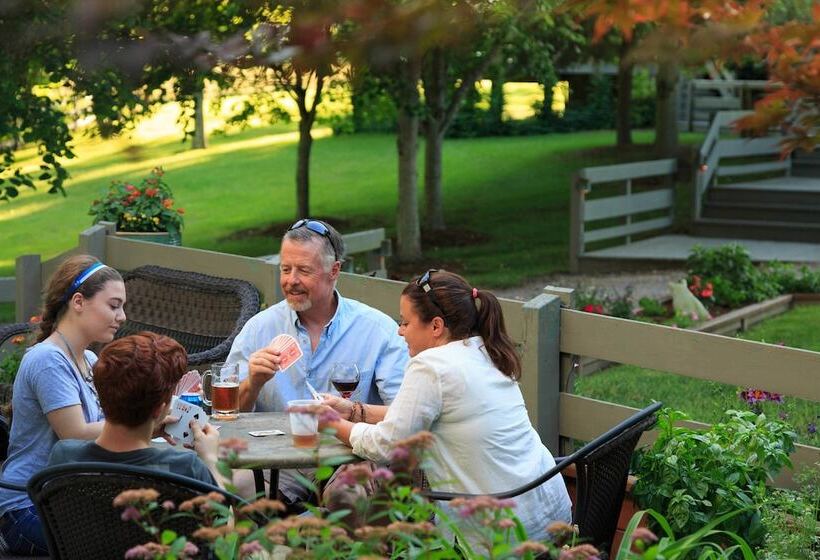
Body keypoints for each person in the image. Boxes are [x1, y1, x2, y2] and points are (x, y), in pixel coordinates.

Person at [316, 270, 572, 541]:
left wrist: (331, 424)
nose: (399, 331)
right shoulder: (485, 350)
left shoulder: (431, 365)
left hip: (497, 535)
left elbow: (386, 445)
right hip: (551, 515)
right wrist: (355, 411)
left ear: (436, 326)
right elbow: (419, 415)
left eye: (405, 322)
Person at [224, 219, 408, 504]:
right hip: (276, 464)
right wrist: (253, 383)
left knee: (348, 496)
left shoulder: (377, 330)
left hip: (348, 458)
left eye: (304, 270)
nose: (291, 280)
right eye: (285, 269)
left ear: (334, 271)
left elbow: (405, 414)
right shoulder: (260, 328)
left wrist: (353, 415)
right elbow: (225, 416)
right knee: (233, 490)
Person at [0, 255, 127, 556]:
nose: (122, 316)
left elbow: (106, 427)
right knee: (129, 542)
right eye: (114, 305)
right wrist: (142, 423)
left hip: (68, 500)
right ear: (78, 301)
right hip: (27, 508)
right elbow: (75, 434)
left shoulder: (90, 360)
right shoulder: (48, 360)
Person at [48, 332, 222, 488]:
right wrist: (211, 460)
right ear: (160, 409)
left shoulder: (64, 456)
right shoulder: (184, 468)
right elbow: (223, 514)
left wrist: (144, 431)